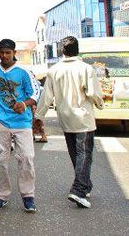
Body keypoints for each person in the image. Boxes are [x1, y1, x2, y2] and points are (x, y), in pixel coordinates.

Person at [34, 36, 104, 209]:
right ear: (77, 50)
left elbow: (46, 95)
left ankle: (85, 185)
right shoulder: (86, 69)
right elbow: (94, 93)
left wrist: (39, 116)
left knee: (76, 153)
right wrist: (100, 103)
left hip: (65, 118)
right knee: (84, 154)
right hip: (83, 118)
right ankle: (79, 190)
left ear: (61, 51)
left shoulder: (54, 70)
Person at [0, 39, 37, 213]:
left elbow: (34, 93)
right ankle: (1, 196)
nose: (4, 56)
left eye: (8, 52)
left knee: (27, 158)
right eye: (1, 52)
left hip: (22, 122)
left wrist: (24, 103)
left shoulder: (24, 72)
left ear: (14, 53)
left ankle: (28, 196)